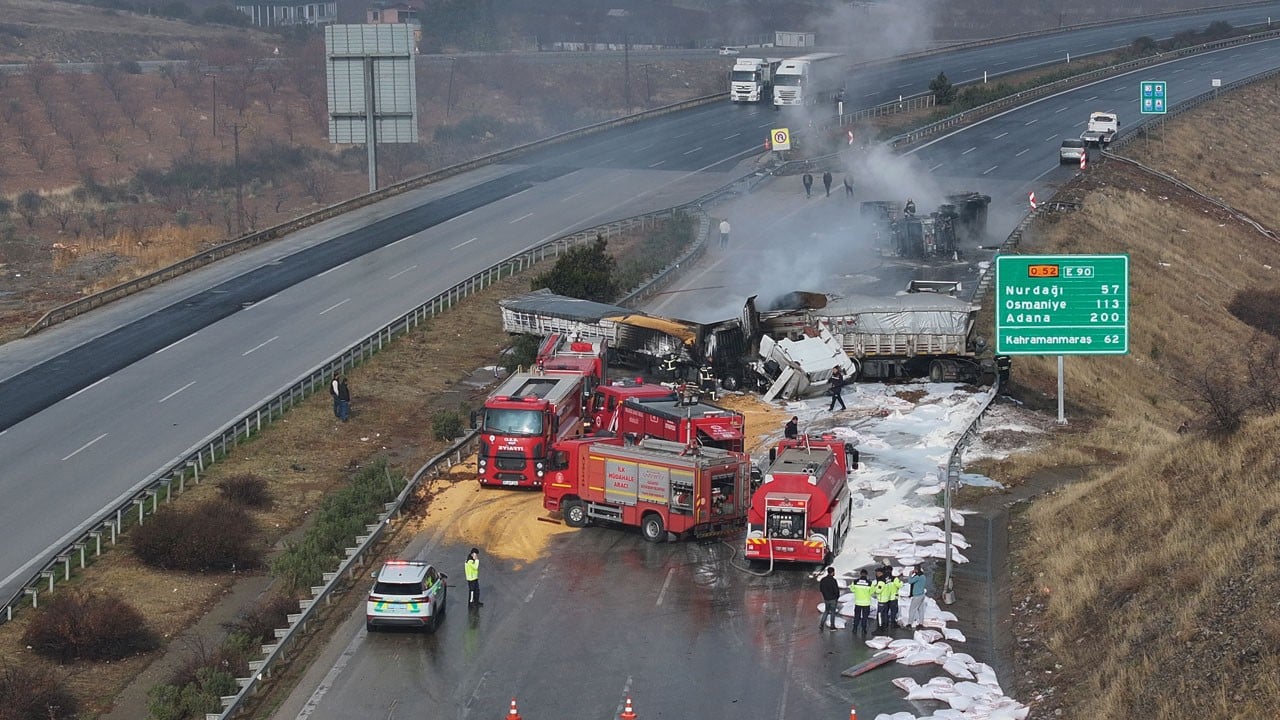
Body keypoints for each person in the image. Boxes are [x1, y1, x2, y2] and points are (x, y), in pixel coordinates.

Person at [850, 569, 874, 636]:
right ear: (866, 574)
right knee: (865, 617)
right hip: (866, 603)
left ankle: (855, 628)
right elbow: (872, 592)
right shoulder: (869, 583)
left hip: (858, 603)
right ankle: (864, 629)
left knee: (857, 616)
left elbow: (852, 589)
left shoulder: (855, 582)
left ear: (860, 574)